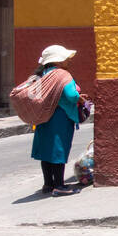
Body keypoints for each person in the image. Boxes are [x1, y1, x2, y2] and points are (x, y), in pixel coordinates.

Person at [30, 45, 83, 196]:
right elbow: (71, 96)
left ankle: (48, 184)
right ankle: (59, 185)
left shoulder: (43, 74)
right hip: (60, 117)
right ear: (58, 60)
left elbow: (35, 96)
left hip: (43, 117)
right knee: (59, 149)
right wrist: (80, 98)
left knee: (46, 151)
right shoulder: (62, 75)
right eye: (66, 58)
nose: (69, 61)